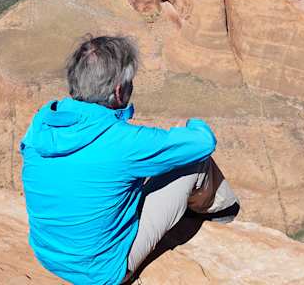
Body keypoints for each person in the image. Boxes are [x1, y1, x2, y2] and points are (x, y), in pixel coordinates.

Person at [21, 35, 239, 285]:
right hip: (100, 273)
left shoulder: (42, 123)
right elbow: (203, 143)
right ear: (118, 90)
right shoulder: (122, 142)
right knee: (193, 163)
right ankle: (223, 216)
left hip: (47, 254)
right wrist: (188, 126)